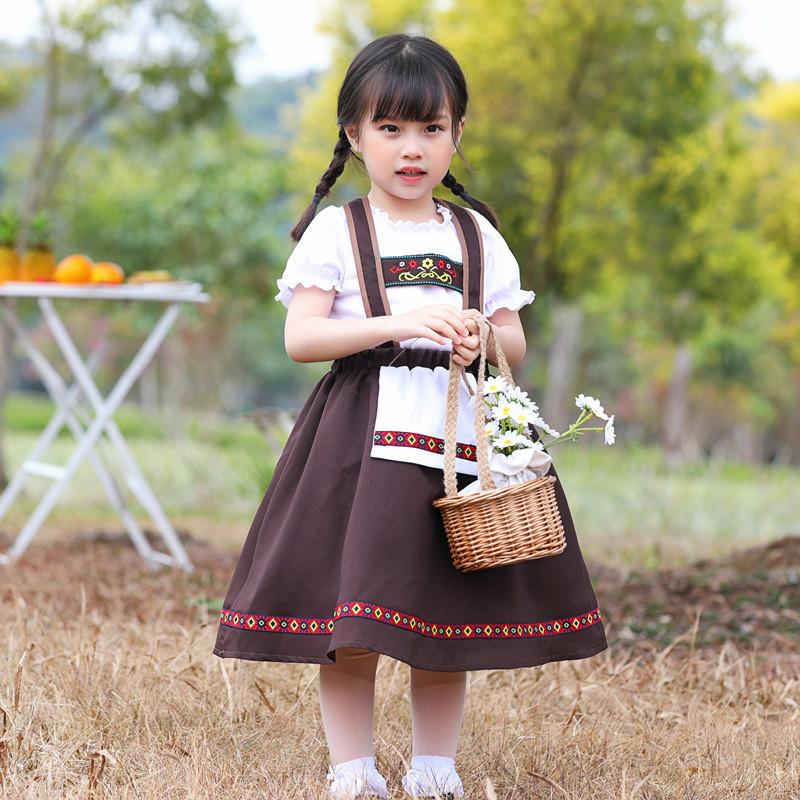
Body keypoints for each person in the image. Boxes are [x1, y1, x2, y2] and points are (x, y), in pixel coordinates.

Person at [213, 33, 607, 800]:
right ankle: (352, 770)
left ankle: (435, 768)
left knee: (443, 614)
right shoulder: (339, 231)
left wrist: (479, 337)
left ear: (458, 133)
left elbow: (514, 342)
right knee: (353, 617)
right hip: (361, 443)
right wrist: (399, 325)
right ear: (355, 135)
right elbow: (302, 338)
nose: (412, 148)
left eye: (431, 127)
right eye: (390, 128)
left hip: (458, 443)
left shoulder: (476, 235)